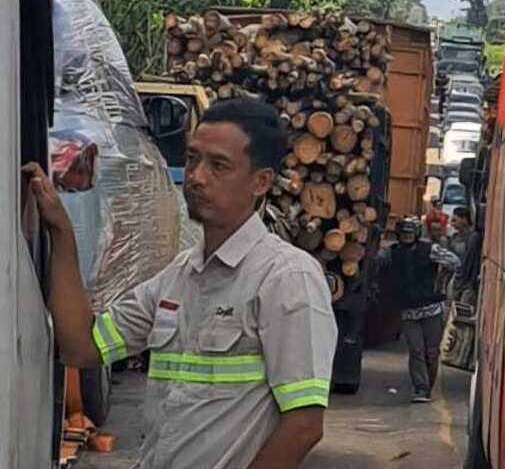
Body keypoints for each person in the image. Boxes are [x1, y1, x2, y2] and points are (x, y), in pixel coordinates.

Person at [23, 97, 337, 469]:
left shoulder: (286, 279)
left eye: (218, 165)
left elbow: (303, 426)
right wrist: (62, 232)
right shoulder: (179, 276)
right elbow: (82, 348)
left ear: (261, 181)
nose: (197, 176)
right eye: (193, 159)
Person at [382, 216, 459, 402]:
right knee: (416, 351)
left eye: (410, 233)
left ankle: (428, 386)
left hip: (432, 308)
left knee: (431, 352)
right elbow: (377, 263)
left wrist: (442, 281)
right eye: (403, 234)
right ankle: (421, 388)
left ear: (416, 234)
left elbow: (454, 261)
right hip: (408, 310)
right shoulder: (391, 253)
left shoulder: (430, 249)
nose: (407, 237)